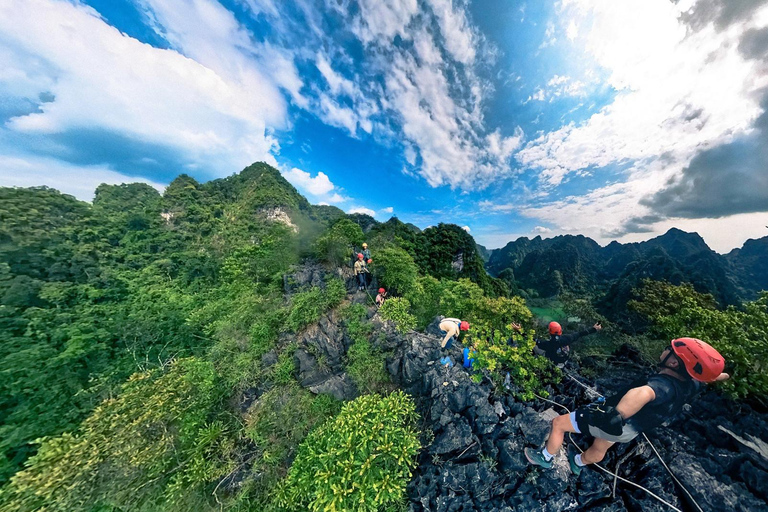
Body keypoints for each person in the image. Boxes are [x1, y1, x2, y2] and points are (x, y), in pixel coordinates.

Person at [524, 337, 730, 476]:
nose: (666, 349)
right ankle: (578, 463)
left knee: (558, 423)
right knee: (601, 445)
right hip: (631, 429)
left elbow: (642, 393)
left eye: (670, 350)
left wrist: (617, 414)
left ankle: (545, 458)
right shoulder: (693, 383)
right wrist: (719, 374)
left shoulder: (662, 386)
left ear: (674, 363)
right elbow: (712, 377)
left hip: (615, 420)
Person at [514, 321, 601, 367]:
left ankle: (533, 357)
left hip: (555, 364)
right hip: (564, 361)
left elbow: (532, 339)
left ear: (549, 331)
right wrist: (594, 329)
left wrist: (520, 331)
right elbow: (580, 334)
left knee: (534, 345)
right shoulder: (567, 338)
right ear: (560, 331)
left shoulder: (547, 344)